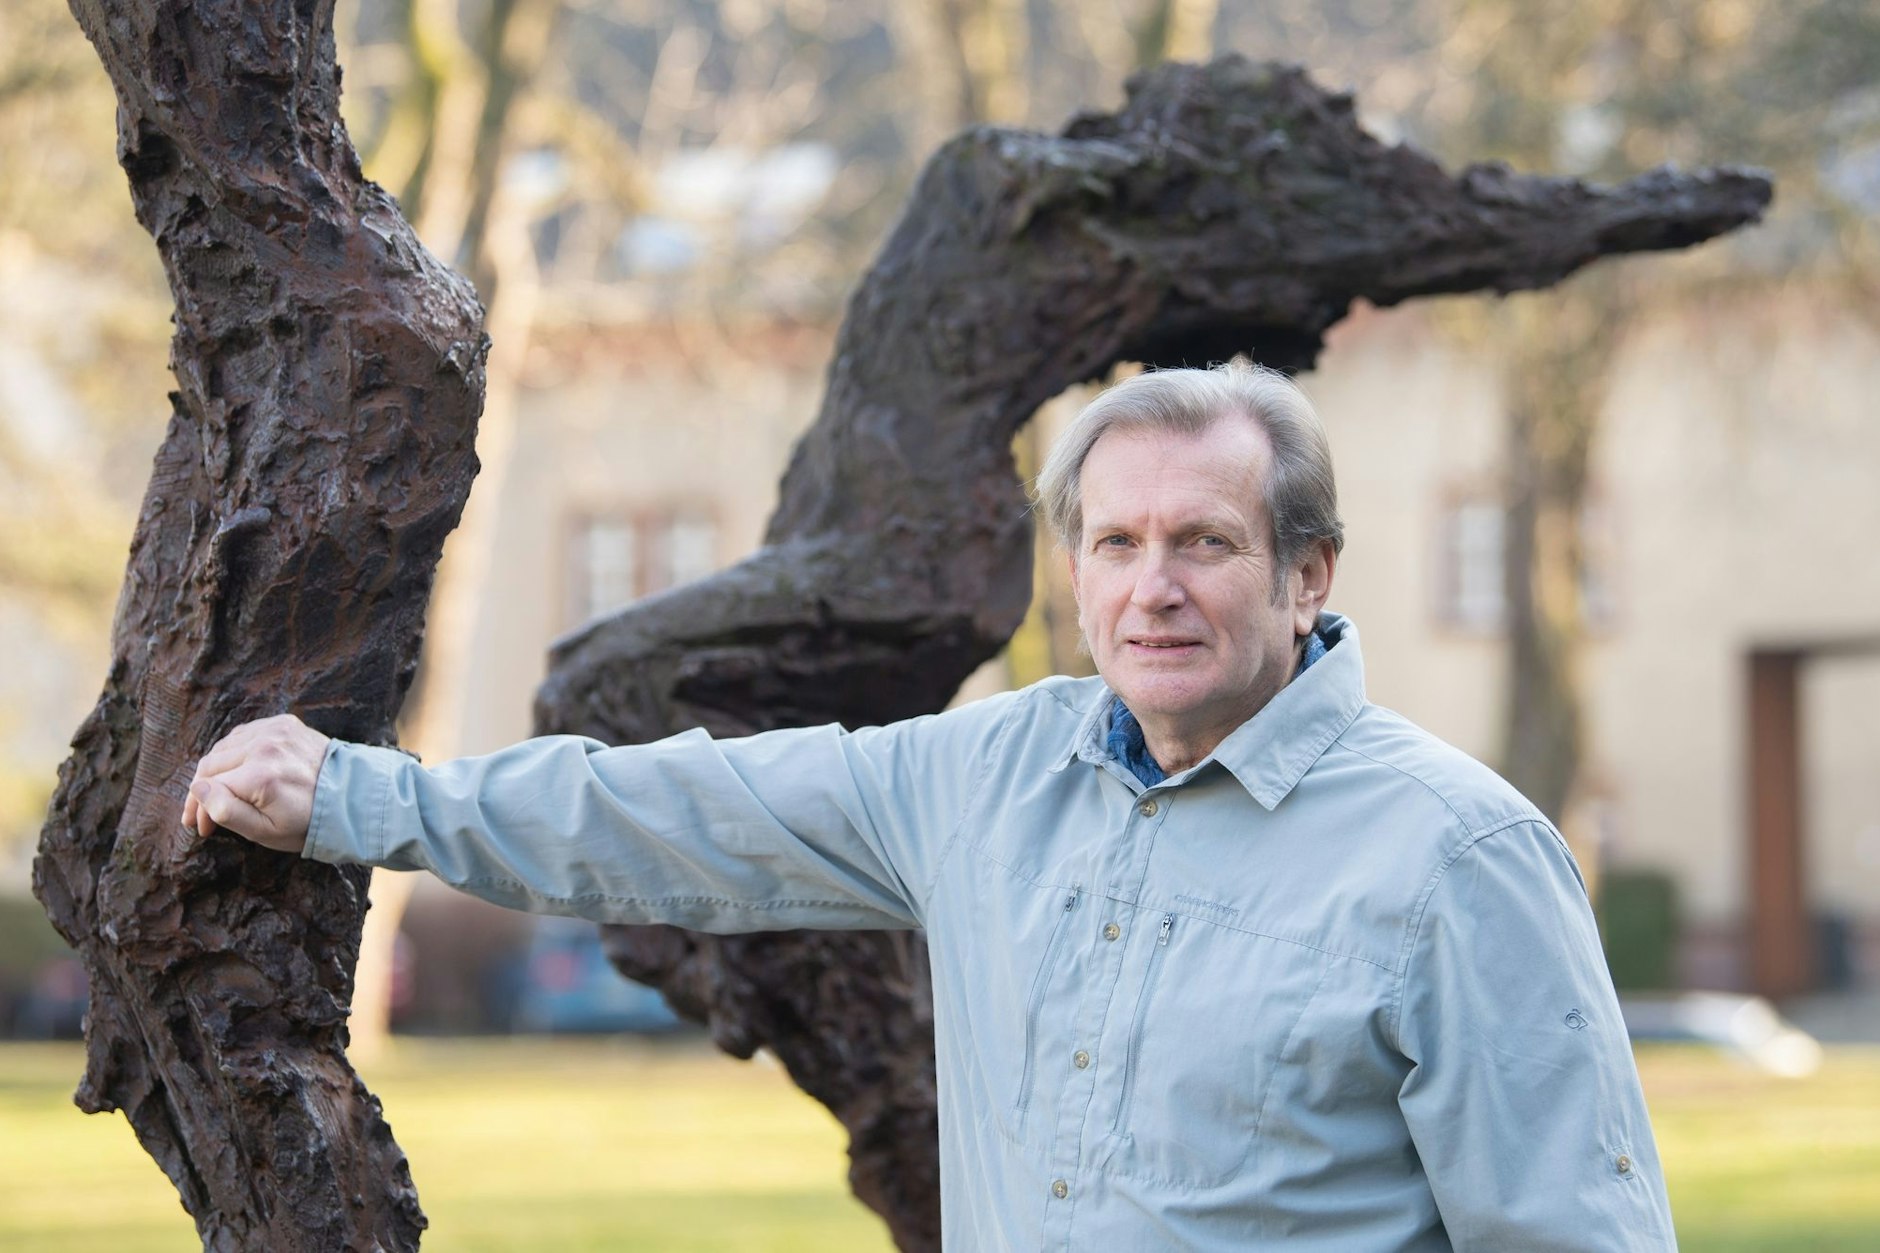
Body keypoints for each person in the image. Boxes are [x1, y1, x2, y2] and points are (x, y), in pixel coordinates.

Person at [185, 360, 1676, 1250]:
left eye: (1207, 540)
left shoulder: (1457, 856)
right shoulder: (984, 776)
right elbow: (670, 813)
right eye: (1116, 541)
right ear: (1076, 569)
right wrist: (353, 795)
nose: (1153, 584)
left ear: (1308, 573)